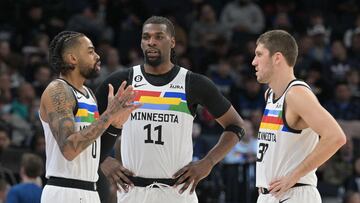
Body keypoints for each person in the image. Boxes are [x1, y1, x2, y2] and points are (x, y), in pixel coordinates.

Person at [96, 16, 245, 203]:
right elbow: (85, 125)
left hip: (177, 192)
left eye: (159, 36)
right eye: (146, 37)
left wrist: (208, 162)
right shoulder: (121, 81)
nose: (151, 42)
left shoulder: (193, 83)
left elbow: (236, 125)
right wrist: (103, 160)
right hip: (133, 192)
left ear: (172, 42)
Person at [39, 31, 139, 203]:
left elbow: (96, 156)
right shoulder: (57, 91)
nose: (98, 56)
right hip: (64, 191)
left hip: (90, 191)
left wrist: (115, 125)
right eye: (90, 51)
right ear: (73, 58)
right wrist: (108, 115)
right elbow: (69, 149)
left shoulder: (89, 94)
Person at [251, 30, 347, 203]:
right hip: (271, 195)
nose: (254, 62)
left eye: (259, 55)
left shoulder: (296, 93)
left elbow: (336, 137)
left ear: (277, 57)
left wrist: (293, 176)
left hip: (295, 194)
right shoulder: (270, 95)